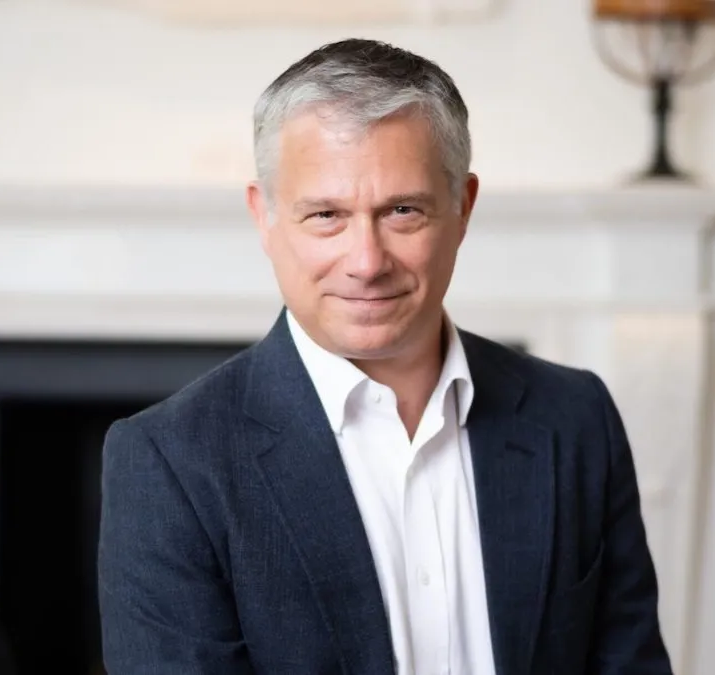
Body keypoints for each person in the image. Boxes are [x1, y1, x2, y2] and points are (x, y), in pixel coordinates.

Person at [97, 38, 673, 675]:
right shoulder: (171, 462)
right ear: (265, 217)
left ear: (463, 207)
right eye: (325, 215)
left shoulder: (575, 417)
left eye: (403, 211)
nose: (367, 262)